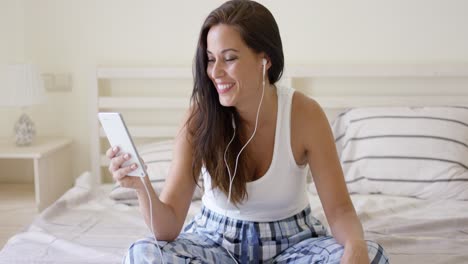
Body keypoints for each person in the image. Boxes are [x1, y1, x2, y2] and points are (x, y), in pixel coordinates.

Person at [107, 0, 389, 263]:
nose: (215, 72)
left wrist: (355, 247)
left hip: (292, 243)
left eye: (229, 58)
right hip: (214, 242)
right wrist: (141, 186)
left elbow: (340, 210)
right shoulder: (199, 117)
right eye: (210, 59)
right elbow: (166, 228)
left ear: (264, 60)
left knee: (373, 254)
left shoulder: (305, 115)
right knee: (142, 253)